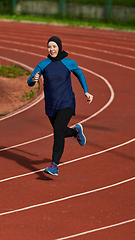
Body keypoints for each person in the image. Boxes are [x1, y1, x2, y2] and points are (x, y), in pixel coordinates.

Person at [27, 36, 93, 176]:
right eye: (49, 47)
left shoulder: (69, 63)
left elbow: (79, 74)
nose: (51, 49)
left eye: (54, 46)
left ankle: (54, 165)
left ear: (59, 47)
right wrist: (33, 80)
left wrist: (86, 91)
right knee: (61, 131)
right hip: (51, 106)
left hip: (66, 103)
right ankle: (76, 132)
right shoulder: (43, 64)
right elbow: (30, 81)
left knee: (57, 131)